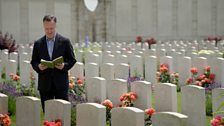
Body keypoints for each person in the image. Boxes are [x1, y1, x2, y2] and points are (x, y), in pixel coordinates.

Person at [31, 15, 76, 112]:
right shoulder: (38, 43)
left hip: (61, 84)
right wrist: (38, 67)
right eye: (46, 29)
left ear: (55, 26)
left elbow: (72, 60)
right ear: (43, 27)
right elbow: (33, 61)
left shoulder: (65, 42)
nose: (49, 31)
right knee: (47, 113)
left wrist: (64, 66)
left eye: (51, 28)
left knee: (63, 113)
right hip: (44, 84)